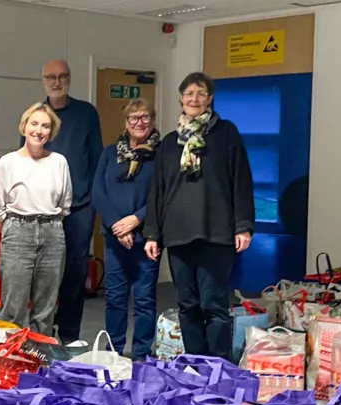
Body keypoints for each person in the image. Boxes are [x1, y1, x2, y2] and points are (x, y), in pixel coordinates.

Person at [143, 72, 254, 360]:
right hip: (178, 233)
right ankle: (194, 362)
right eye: (189, 93)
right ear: (181, 98)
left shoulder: (226, 134)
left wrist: (243, 226)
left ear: (210, 99)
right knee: (187, 304)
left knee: (214, 305)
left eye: (201, 93)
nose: (194, 99)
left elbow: (241, 180)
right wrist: (152, 233)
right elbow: (158, 190)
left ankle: (217, 364)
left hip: (216, 232)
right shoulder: (169, 143)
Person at [30, 59, 103, 343]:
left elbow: (96, 159)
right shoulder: (37, 116)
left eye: (62, 76)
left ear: (69, 79)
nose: (56, 82)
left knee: (74, 274)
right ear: (42, 80)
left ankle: (70, 335)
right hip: (44, 210)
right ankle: (43, 334)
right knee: (45, 275)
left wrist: (94, 204)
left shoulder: (86, 113)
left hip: (80, 207)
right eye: (50, 77)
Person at [0, 103, 72, 335]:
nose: (39, 130)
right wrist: (16, 228)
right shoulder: (8, 162)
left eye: (45, 126)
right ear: (24, 126)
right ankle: (8, 362)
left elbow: (65, 204)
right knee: (12, 306)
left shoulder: (59, 162)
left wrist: (48, 226)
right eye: (34, 123)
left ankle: (40, 361)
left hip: (53, 233)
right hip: (17, 231)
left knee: (45, 308)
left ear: (52, 131)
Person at [91, 98, 161, 361]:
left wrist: (136, 220)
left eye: (145, 117)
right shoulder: (110, 153)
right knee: (115, 299)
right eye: (134, 118)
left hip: (147, 239)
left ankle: (142, 353)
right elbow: (98, 192)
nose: (139, 122)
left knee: (144, 300)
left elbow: (161, 195)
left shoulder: (161, 154)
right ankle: (114, 352)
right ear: (125, 123)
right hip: (114, 238)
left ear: (153, 120)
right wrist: (118, 227)